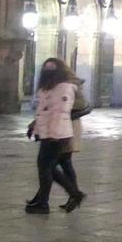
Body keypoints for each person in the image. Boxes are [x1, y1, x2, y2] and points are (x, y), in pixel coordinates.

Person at [25, 58, 80, 215]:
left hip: (57, 134)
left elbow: (59, 113)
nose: (48, 71)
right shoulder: (48, 87)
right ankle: (73, 194)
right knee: (48, 168)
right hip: (48, 133)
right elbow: (44, 112)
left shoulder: (64, 88)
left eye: (52, 68)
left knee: (46, 168)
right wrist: (36, 128)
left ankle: (44, 203)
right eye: (46, 68)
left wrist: (53, 134)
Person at [54, 68, 89, 213]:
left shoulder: (71, 86)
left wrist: (64, 104)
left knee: (51, 164)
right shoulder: (59, 85)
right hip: (61, 126)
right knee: (64, 163)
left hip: (69, 127)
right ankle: (73, 195)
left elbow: (81, 104)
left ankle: (74, 194)